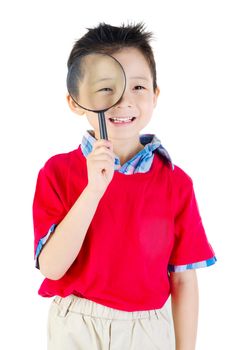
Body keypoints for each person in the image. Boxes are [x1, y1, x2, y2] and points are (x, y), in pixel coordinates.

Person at [32, 22, 217, 350]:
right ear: (77, 101)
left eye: (138, 88)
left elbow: (184, 279)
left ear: (155, 95)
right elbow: (52, 267)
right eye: (107, 88)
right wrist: (93, 190)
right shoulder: (57, 172)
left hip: (148, 329)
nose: (123, 101)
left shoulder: (176, 183)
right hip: (77, 324)